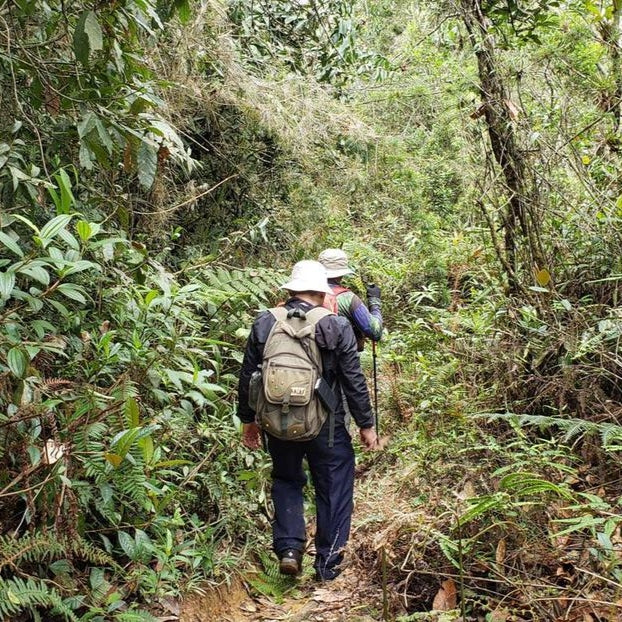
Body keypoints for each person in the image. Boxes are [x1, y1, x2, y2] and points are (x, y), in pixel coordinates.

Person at [237, 260, 378, 581]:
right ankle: (328, 564)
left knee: (286, 479)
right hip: (326, 425)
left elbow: (248, 377)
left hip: (278, 421)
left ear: (290, 290)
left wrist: (249, 421)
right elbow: (353, 380)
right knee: (334, 484)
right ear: (321, 292)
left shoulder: (265, 322)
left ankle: (289, 549)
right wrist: (366, 425)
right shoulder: (335, 325)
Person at [318, 249, 382, 351]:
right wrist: (375, 303)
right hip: (342, 361)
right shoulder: (348, 299)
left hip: (308, 360)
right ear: (342, 273)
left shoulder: (305, 294)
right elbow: (375, 332)